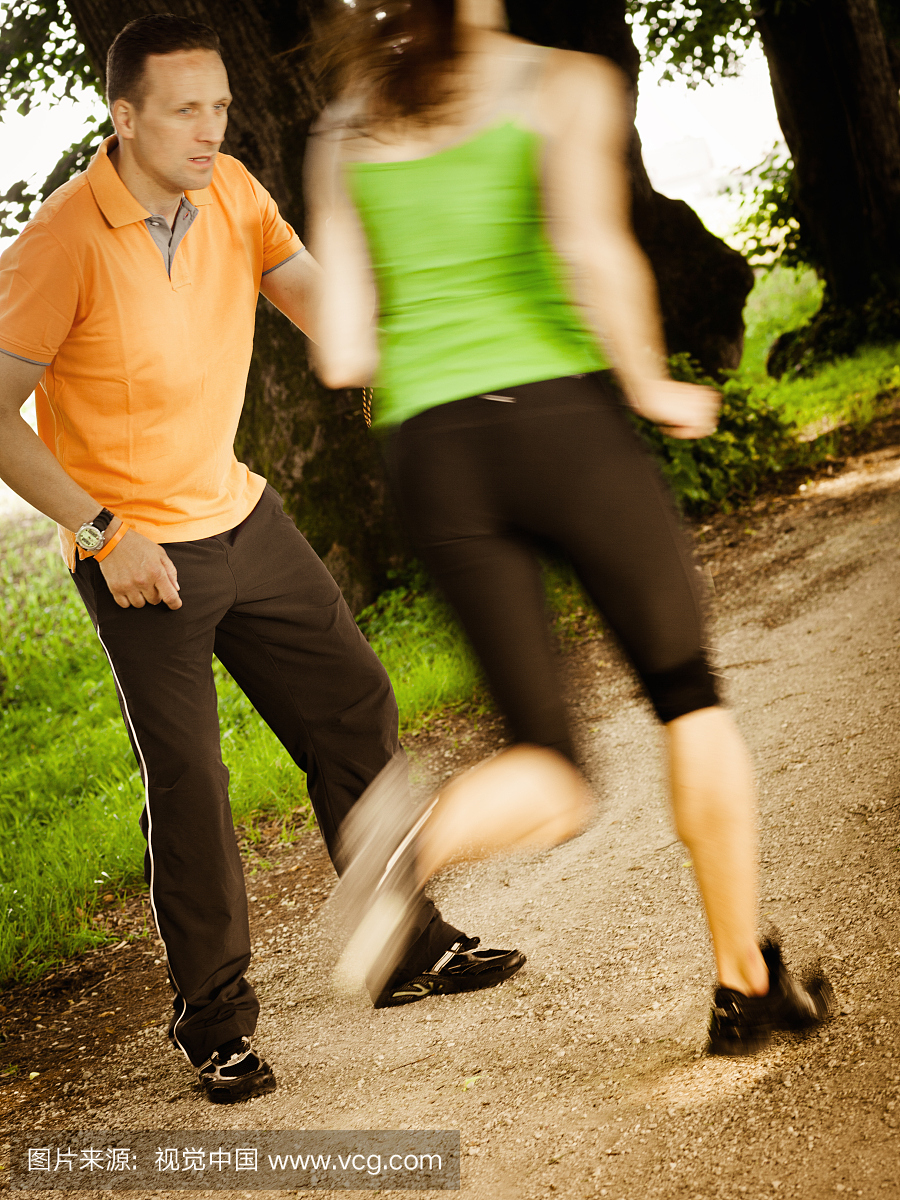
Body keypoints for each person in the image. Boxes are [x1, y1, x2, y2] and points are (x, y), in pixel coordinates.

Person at [0, 12, 524, 1105]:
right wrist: (101, 531)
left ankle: (404, 943)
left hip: (241, 515)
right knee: (191, 784)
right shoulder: (62, 240)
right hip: (138, 553)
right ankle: (214, 1020)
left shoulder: (230, 190)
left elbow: (319, 308)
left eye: (222, 105)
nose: (210, 127)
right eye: (186, 109)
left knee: (353, 706)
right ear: (125, 114)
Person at [305, 0, 834, 1054]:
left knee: (549, 764)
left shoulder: (341, 129)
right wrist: (649, 382)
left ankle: (408, 851)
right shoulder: (561, 82)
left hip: (429, 453)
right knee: (689, 698)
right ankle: (743, 983)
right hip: (559, 428)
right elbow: (591, 251)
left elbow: (344, 351)